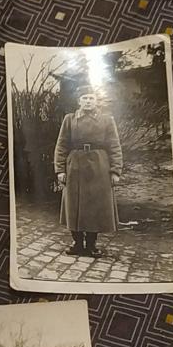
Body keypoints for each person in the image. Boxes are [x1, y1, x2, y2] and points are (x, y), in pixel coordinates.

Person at [53, 87, 123, 257]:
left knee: (95, 204)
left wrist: (115, 170)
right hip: (74, 166)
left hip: (99, 166)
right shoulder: (70, 119)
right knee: (73, 204)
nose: (88, 101)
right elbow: (61, 145)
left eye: (91, 98)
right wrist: (60, 169)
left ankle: (91, 244)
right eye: (84, 98)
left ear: (96, 100)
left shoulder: (106, 120)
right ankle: (77, 243)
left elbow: (114, 146)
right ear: (79, 101)